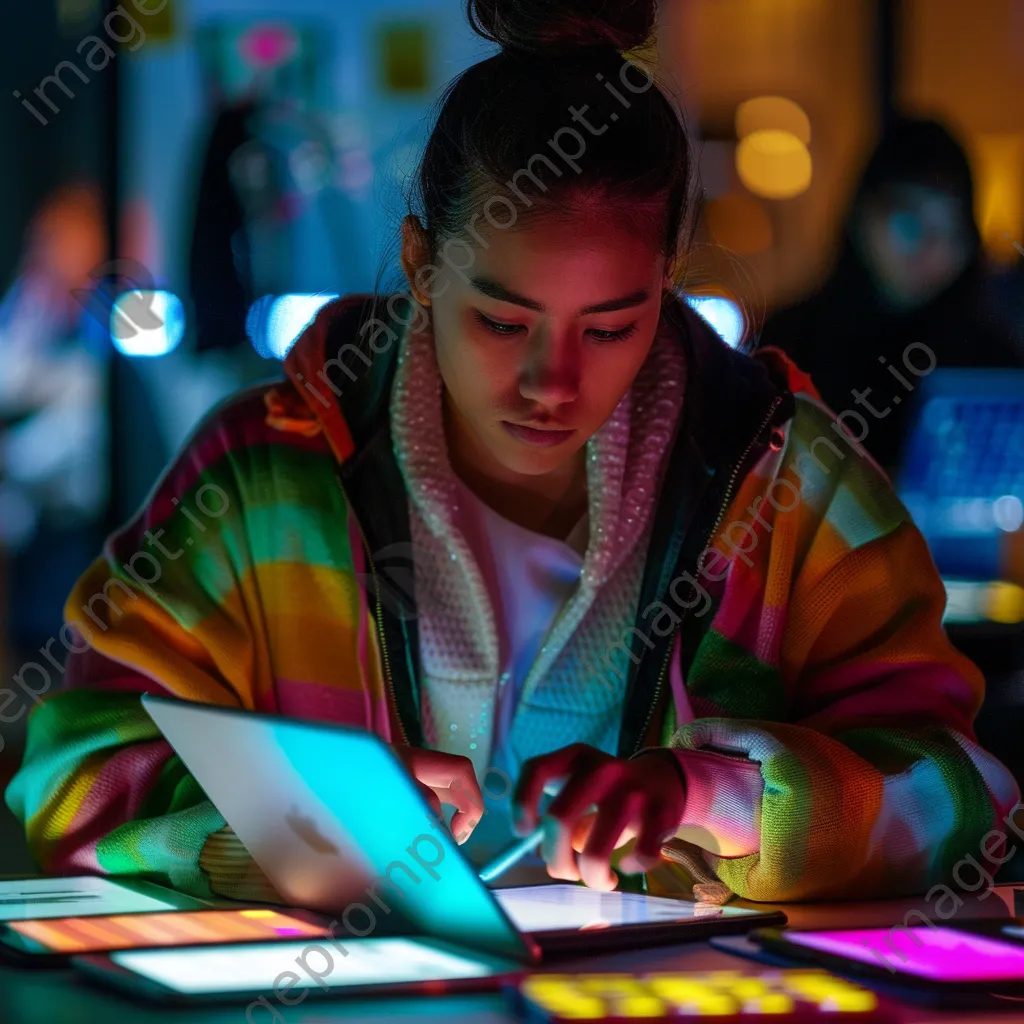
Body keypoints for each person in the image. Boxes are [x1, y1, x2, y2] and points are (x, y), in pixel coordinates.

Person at [6, 0, 1019, 907]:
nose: (552, 381)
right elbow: (67, 768)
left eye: (613, 326)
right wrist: (310, 820)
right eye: (501, 320)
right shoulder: (264, 478)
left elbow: (968, 797)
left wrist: (721, 798)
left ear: (666, 285)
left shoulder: (787, 489)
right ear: (419, 265)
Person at [758, 116, 1021, 474]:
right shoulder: (788, 347)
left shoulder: (992, 365)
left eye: (951, 231)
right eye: (909, 224)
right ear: (862, 216)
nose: (932, 250)